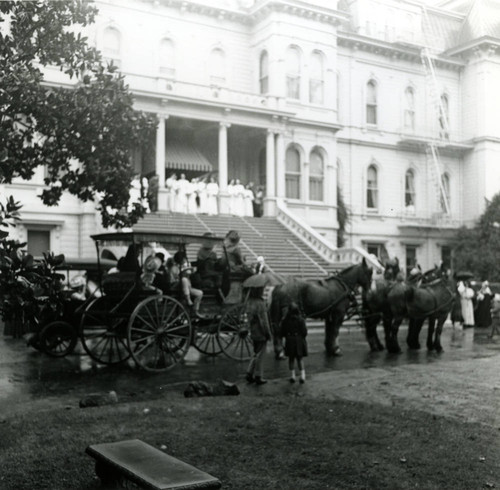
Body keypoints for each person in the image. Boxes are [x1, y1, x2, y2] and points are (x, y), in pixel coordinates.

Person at [245, 287, 272, 385]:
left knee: (255, 353)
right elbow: (265, 322)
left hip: (253, 331)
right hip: (261, 332)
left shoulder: (249, 301)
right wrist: (268, 333)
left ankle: (249, 372)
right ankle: (258, 376)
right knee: (260, 355)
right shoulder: (260, 303)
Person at [280, 302, 308, 384]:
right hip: (299, 340)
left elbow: (282, 332)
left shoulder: (285, 320)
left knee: (291, 359)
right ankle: (302, 375)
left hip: (289, 340)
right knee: (300, 359)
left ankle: (292, 376)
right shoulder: (301, 320)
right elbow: (305, 332)